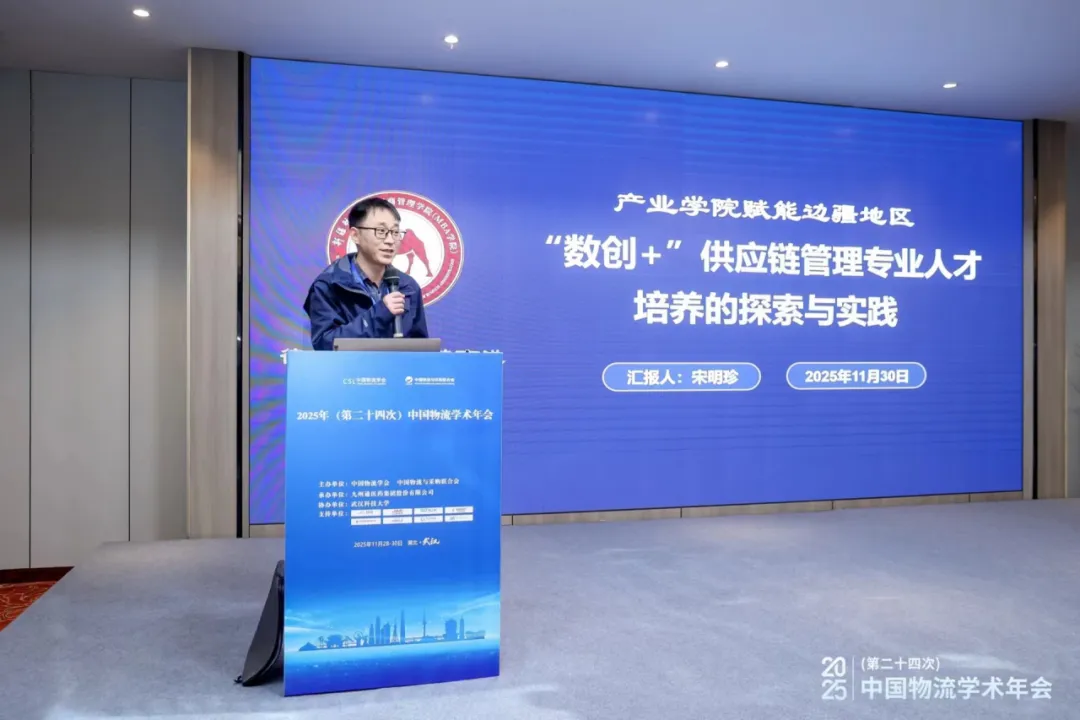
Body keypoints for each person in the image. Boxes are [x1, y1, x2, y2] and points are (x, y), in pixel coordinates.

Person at [303, 197, 428, 349]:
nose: (390, 240)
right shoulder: (329, 285)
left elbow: (421, 349)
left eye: (395, 232)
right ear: (355, 235)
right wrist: (380, 312)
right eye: (381, 231)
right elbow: (326, 345)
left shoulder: (408, 286)